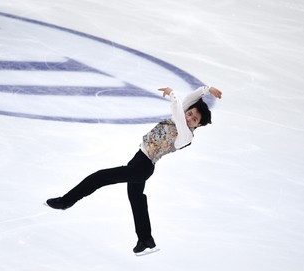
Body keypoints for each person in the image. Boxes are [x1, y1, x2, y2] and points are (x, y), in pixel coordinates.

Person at [46, 85, 223, 254]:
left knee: (100, 177)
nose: (189, 118)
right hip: (139, 158)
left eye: (194, 119)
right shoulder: (182, 116)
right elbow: (189, 101)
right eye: (190, 114)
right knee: (136, 198)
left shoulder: (186, 135)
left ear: (198, 125)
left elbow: (178, 111)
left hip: (143, 167)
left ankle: (66, 201)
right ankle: (146, 239)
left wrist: (172, 93)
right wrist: (207, 90)